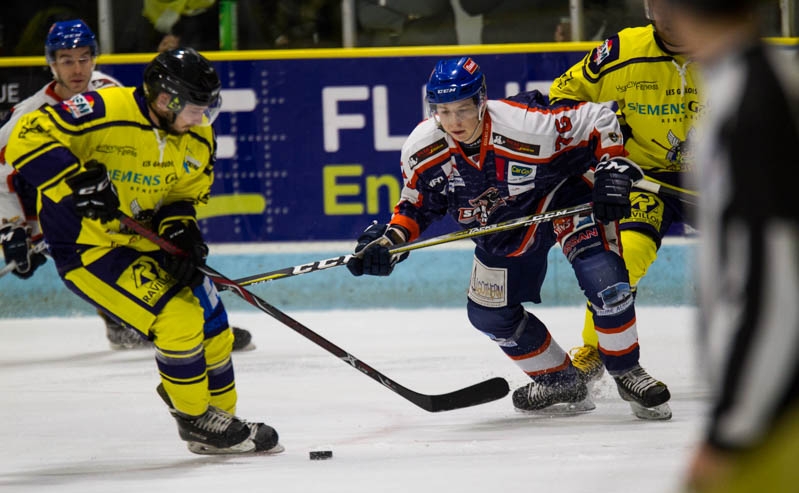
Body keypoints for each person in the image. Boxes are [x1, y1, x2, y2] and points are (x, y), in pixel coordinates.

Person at [346, 56, 669, 419]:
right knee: (488, 313)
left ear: (481, 101)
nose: (454, 121)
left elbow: (599, 120)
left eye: (463, 109)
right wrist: (390, 242)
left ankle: (627, 371)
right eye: (444, 111)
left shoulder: (526, 123)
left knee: (604, 278)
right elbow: (419, 204)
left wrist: (611, 164)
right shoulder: (422, 150)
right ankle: (561, 381)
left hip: (563, 198)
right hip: (504, 223)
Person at [4, 47, 281, 456]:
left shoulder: (199, 136)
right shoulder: (104, 106)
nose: (202, 118)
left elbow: (180, 198)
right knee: (178, 319)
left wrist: (181, 236)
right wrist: (76, 181)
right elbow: (25, 138)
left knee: (213, 324)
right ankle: (195, 420)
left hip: (145, 243)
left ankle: (220, 417)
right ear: (167, 98)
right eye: (195, 108)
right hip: (89, 248)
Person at [0, 19, 253, 352]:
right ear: (51, 63)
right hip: (59, 204)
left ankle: (191, 325)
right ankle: (136, 322)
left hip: (120, 197)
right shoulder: (27, 115)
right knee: (93, 255)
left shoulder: (108, 90)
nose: (77, 68)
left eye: (84, 58)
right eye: (66, 59)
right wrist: (13, 228)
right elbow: (5, 177)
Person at [663, 0, 799, 493]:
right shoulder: (748, 84)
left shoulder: (753, 104)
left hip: (777, 412)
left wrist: (733, 431)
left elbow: (776, 278)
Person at [548, 0, 704, 420]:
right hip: (642, 178)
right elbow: (562, 98)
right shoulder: (621, 51)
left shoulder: (729, 51)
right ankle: (595, 350)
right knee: (624, 253)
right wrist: (599, 140)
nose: (670, 13)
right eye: (660, 4)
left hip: (717, 177)